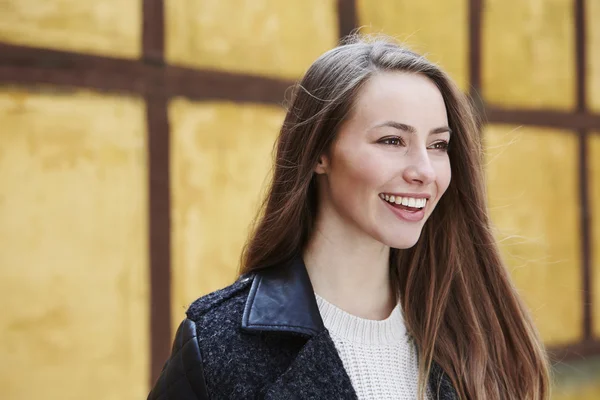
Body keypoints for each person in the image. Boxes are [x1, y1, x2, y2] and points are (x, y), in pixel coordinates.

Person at [148, 34, 550, 400]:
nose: (425, 171)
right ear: (319, 153)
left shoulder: (479, 333)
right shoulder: (221, 344)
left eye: (439, 144)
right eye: (392, 140)